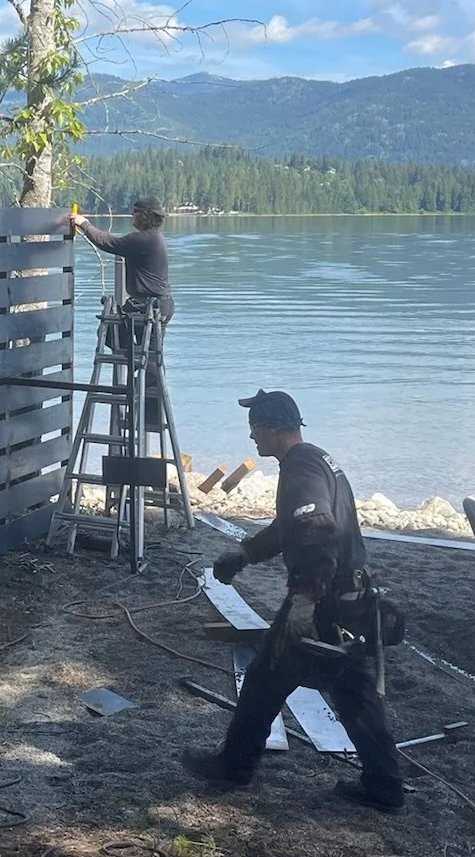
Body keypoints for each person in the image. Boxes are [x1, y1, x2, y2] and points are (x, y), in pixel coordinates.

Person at [181, 391, 404, 811]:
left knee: (266, 678)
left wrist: (305, 602)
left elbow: (318, 531)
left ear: (275, 426)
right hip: (351, 599)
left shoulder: (301, 467)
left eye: (255, 428)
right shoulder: (314, 460)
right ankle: (385, 785)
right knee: (353, 694)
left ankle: (234, 767)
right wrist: (246, 552)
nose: (251, 437)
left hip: (325, 600)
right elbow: (291, 526)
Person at [67, 194, 174, 324]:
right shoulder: (155, 238)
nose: (132, 215)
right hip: (161, 303)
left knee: (112, 332)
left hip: (149, 306)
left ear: (145, 215)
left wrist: (84, 224)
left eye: (135, 212)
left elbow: (107, 242)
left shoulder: (144, 239)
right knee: (147, 343)